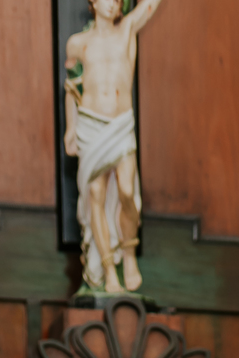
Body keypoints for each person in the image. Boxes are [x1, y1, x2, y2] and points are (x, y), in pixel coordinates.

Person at [63, 0, 167, 293]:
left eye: (118, 0)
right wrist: (71, 128)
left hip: (120, 123)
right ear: (93, 2)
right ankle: (109, 270)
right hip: (90, 124)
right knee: (95, 194)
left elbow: (149, 5)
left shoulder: (127, 30)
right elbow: (72, 88)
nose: (113, 4)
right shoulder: (78, 43)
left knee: (126, 192)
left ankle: (129, 253)